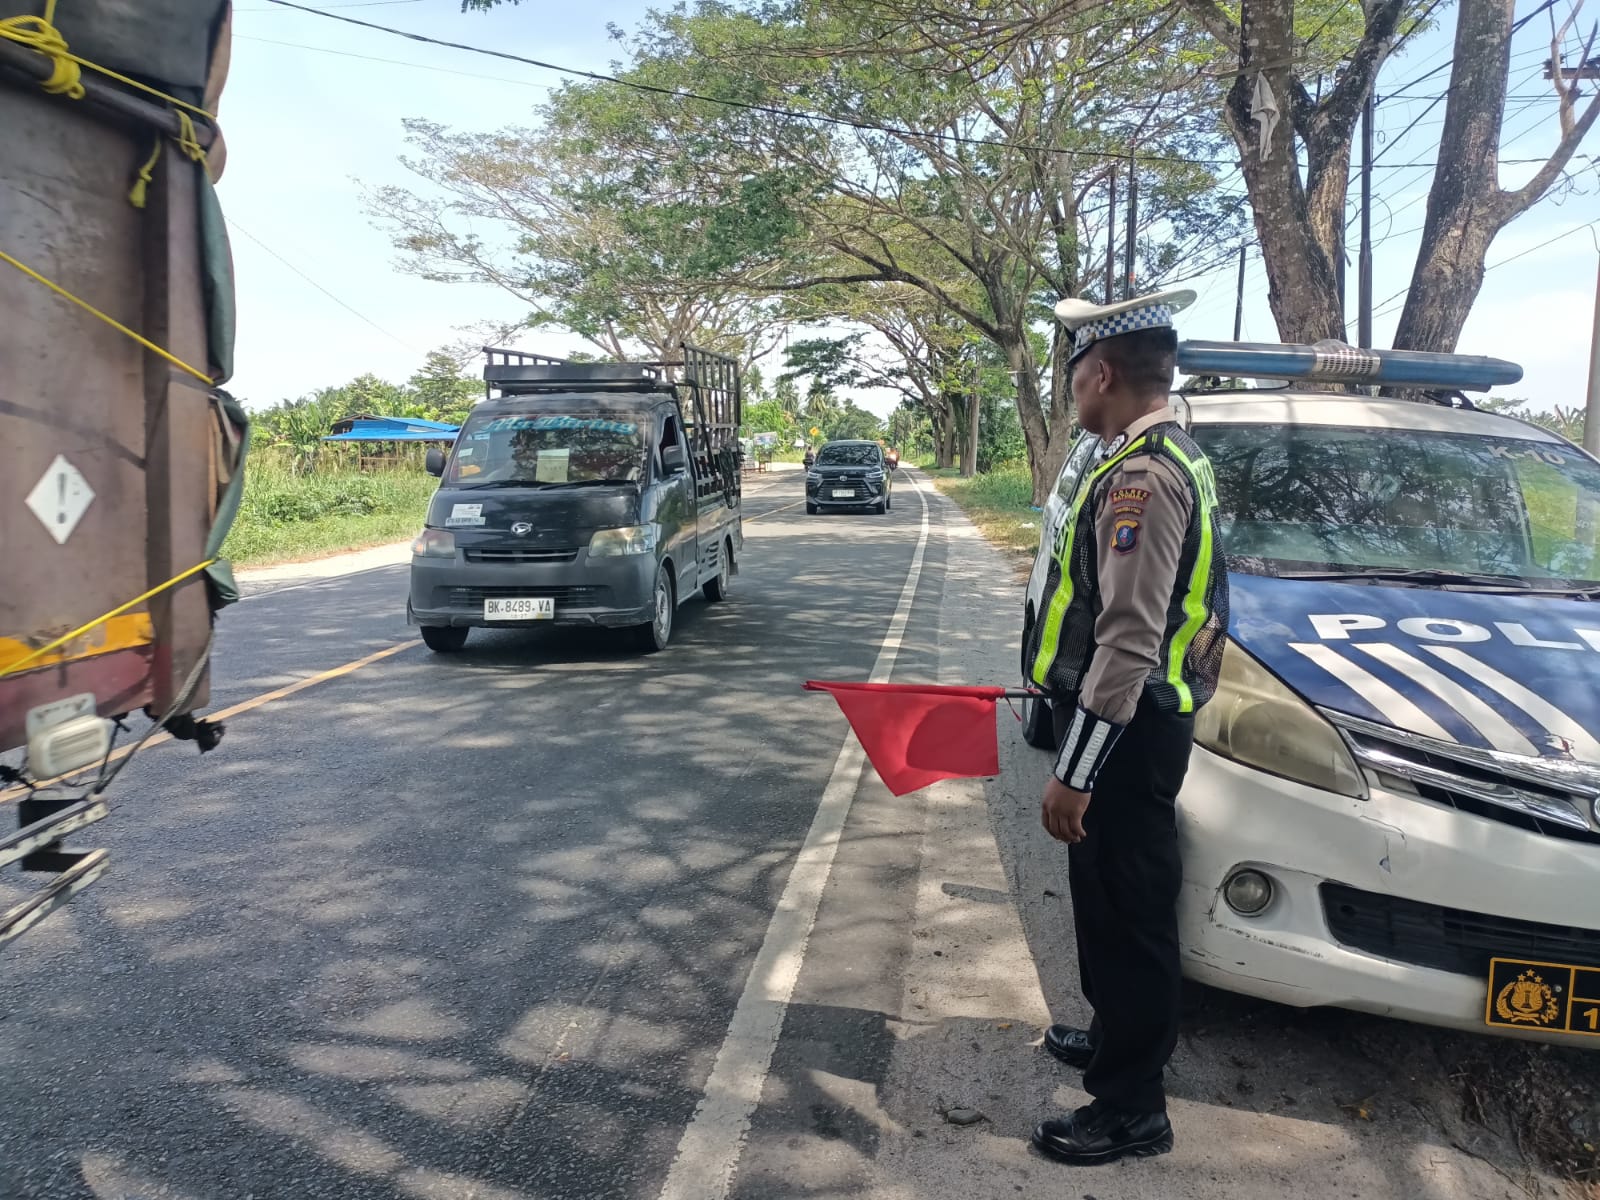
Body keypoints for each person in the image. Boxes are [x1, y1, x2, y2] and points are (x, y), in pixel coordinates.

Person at [1023, 288, 1229, 1167]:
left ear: (1101, 373)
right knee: (1104, 901)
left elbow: (1130, 640)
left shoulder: (1143, 477)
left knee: (1129, 910)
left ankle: (1132, 1105)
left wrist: (1076, 771)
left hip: (1128, 731)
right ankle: (1114, 1038)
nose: (1074, 399)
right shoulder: (1158, 455)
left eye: (1074, 383)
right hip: (1126, 726)